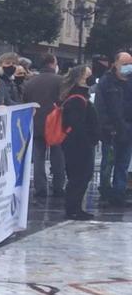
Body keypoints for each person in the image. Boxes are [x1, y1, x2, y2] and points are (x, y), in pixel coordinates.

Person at [22, 54, 66, 198]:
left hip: (36, 123)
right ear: (53, 63)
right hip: (56, 123)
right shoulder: (61, 80)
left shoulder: (30, 83)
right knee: (58, 156)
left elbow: (25, 102)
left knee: (38, 157)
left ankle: (40, 188)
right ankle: (58, 186)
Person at [60, 65, 100, 220]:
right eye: (88, 75)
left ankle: (76, 207)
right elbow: (76, 124)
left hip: (80, 144)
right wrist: (88, 140)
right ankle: (73, 209)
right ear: (80, 78)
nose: (91, 78)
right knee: (79, 176)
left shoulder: (80, 96)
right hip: (78, 145)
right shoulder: (76, 98)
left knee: (82, 176)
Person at [96, 52, 132, 206]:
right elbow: (100, 107)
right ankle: (105, 189)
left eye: (129, 63)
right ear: (115, 64)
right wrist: (107, 126)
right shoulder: (106, 82)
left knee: (123, 163)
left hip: (128, 128)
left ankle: (119, 192)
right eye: (124, 63)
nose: (128, 67)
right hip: (111, 130)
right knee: (108, 163)